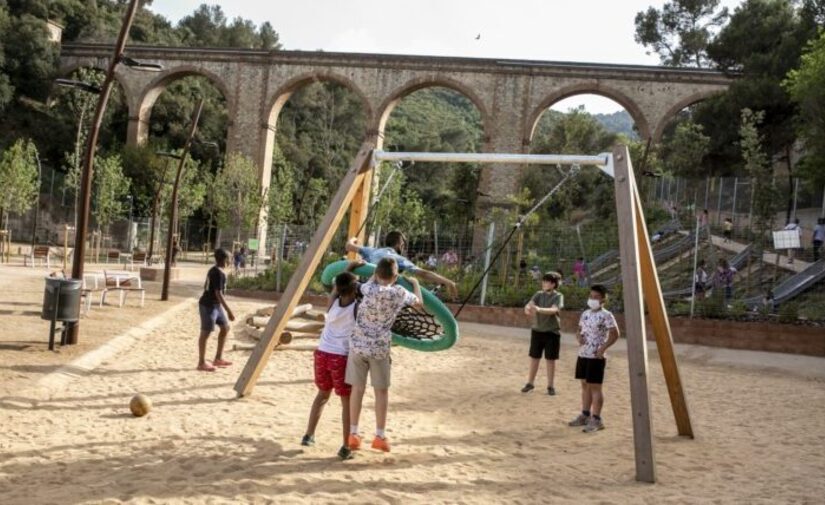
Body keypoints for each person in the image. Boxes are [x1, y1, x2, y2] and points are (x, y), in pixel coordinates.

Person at [346, 257, 423, 454]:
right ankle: (379, 436)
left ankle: (353, 433)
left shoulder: (368, 288)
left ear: (376, 274)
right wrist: (415, 284)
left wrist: (371, 273)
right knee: (381, 391)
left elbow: (368, 283)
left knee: (357, 389)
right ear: (396, 276)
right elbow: (419, 304)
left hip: (358, 345)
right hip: (379, 348)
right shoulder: (399, 292)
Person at [301, 261, 363, 460]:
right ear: (355, 290)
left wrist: (349, 268)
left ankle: (308, 435)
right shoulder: (356, 308)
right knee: (346, 402)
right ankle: (346, 446)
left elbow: (337, 286)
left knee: (322, 395)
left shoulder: (333, 303)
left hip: (322, 353)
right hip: (341, 357)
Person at [568, 285, 619, 433]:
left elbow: (615, 334)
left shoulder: (606, 315)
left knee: (595, 387)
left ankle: (596, 419)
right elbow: (579, 330)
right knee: (584, 385)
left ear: (603, 299)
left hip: (596, 356)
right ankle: (585, 414)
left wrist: (603, 348)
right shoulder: (585, 313)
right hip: (583, 353)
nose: (592, 300)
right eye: (591, 296)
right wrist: (579, 337)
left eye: (596, 297)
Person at [346, 231, 457, 298]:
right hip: (386, 297)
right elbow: (423, 273)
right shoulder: (399, 259)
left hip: (365, 292)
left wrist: (354, 239)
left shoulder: (372, 251)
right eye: (403, 246)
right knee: (409, 285)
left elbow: (348, 246)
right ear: (400, 244)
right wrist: (447, 281)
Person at [522, 272, 564, 395]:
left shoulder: (558, 296)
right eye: (544, 281)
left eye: (548, 282)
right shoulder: (538, 294)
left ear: (554, 284)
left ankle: (550, 386)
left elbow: (554, 309)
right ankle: (530, 383)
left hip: (552, 332)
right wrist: (527, 309)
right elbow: (529, 305)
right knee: (534, 357)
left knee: (550, 359)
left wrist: (539, 309)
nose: (545, 283)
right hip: (537, 331)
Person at [197, 249, 235, 372]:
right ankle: (201, 362)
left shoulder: (216, 271)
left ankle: (218, 358)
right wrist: (229, 311)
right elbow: (218, 293)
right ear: (224, 260)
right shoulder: (217, 273)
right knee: (206, 333)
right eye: (229, 258)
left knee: (225, 328)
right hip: (208, 305)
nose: (231, 261)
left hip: (216, 305)